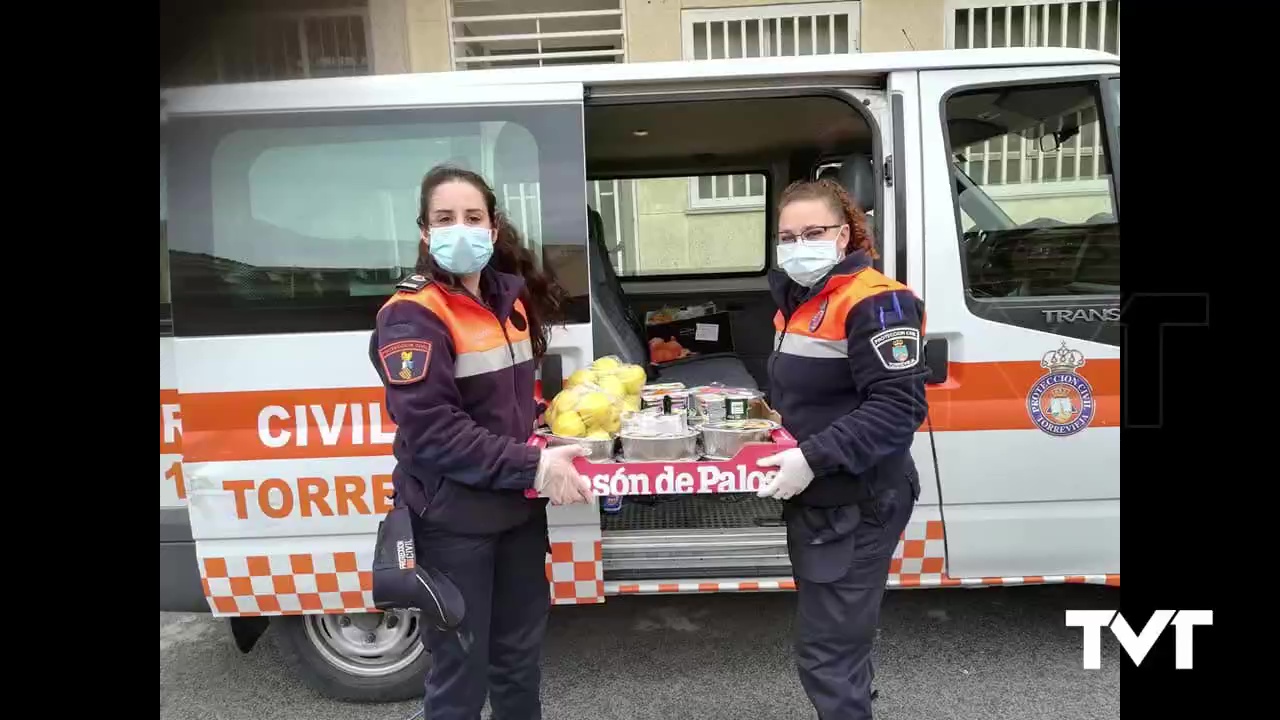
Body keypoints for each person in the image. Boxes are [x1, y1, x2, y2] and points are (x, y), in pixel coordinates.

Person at [369, 165, 592, 720]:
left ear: (493, 229)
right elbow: (433, 431)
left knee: (518, 666)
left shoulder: (506, 301)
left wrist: (547, 426)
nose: (460, 229)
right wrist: (533, 467)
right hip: (453, 524)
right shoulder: (411, 316)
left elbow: (507, 404)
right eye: (445, 219)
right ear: (425, 231)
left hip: (516, 517)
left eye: (473, 217)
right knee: (460, 678)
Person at [755, 178, 929, 719]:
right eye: (787, 235)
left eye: (813, 231)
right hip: (824, 497)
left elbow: (899, 409)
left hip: (858, 499)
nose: (798, 244)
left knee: (826, 654)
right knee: (842, 644)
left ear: (846, 234)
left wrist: (810, 457)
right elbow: (820, 390)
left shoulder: (877, 303)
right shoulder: (803, 300)